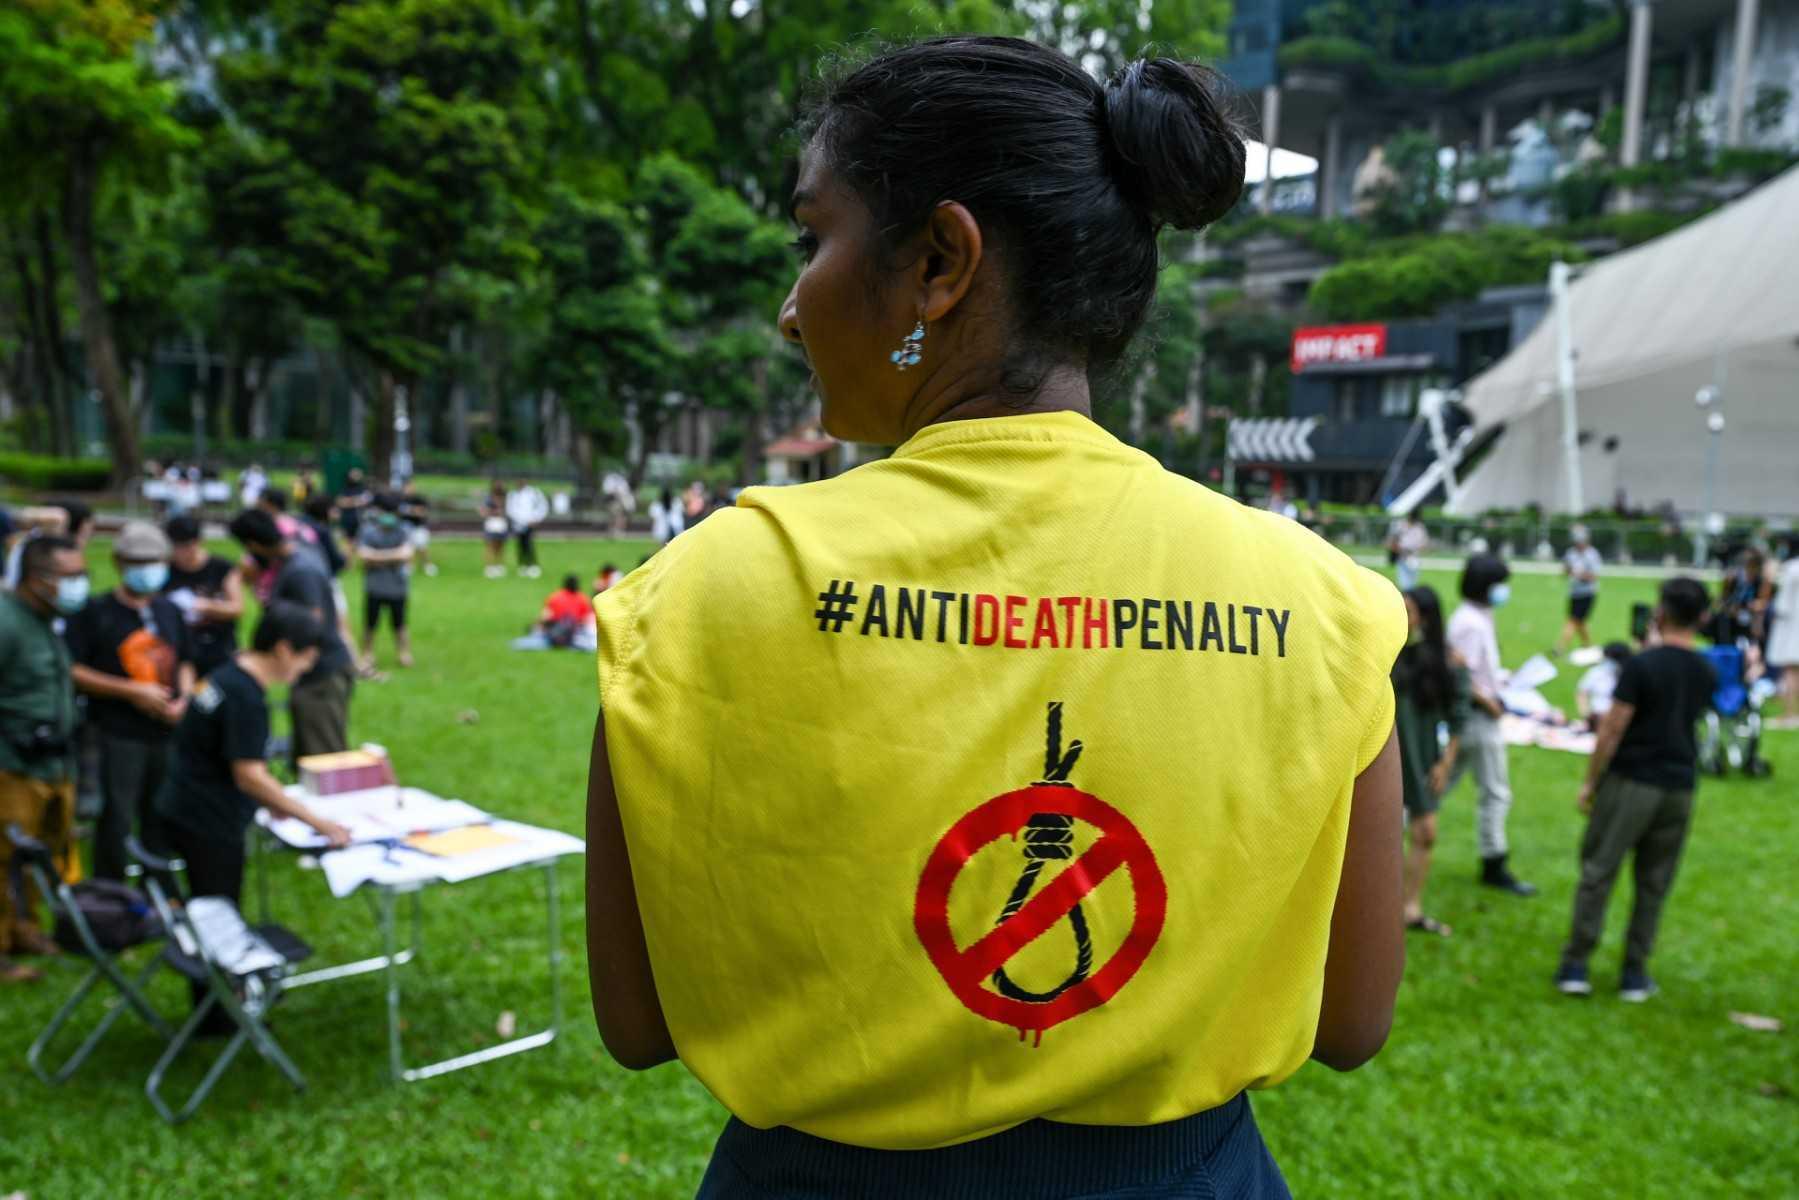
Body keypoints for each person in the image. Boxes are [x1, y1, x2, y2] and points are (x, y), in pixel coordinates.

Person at [586, 38, 1405, 1196]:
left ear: (938, 261)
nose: (788, 309)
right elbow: (1351, 1020)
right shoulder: (1324, 604)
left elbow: (636, 1023)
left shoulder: (704, 589)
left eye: (811, 239)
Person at [149, 602, 351, 1030]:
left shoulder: (224, 675)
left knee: (208, 906)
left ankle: (222, 1001)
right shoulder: (246, 699)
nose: (307, 666)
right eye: (305, 657)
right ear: (282, 649)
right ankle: (219, 1014)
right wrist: (320, 823)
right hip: (208, 822)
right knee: (218, 912)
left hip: (180, 806)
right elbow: (250, 776)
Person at [1556, 578, 1716, 1002]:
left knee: (1599, 871)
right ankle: (1634, 972)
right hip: (1679, 786)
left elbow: (1612, 728)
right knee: (1654, 883)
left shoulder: (1642, 665)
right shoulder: (1705, 669)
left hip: (1632, 781)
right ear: (1702, 617)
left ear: (1660, 611)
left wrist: (1591, 781)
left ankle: (1576, 963)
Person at [66, 521, 195, 881]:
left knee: (161, 811)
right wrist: (130, 690)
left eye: (154, 560)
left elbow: (185, 658)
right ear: (119, 562)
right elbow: (72, 670)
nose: (147, 569)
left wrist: (183, 697)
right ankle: (112, 892)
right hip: (117, 732)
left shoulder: (169, 610)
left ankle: (159, 887)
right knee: (117, 815)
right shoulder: (94, 612)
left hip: (166, 731)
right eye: (138, 561)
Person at [0, 536, 86, 983]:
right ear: (38, 580)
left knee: (37, 854)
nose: (80, 584)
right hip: (13, 766)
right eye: (71, 577)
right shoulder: (7, 621)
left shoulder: (46, 619)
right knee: (2, 857)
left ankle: (24, 928)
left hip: (53, 764)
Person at [227, 509, 357, 760]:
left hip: (322, 675)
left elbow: (312, 624)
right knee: (308, 753)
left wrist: (263, 657)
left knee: (323, 759)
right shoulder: (300, 551)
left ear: (253, 545)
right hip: (315, 673)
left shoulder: (300, 572)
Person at [1444, 553, 1536, 897]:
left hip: (1478, 715)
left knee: (1439, 784)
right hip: (1479, 720)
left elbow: (1477, 669)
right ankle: (1494, 861)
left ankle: (1392, 828)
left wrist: (1501, 682)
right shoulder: (1470, 621)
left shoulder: (1478, 616)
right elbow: (1460, 672)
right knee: (1495, 792)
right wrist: (1491, 703)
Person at [1392, 585, 1469, 938]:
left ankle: (1410, 906)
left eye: (1409, 611)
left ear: (1425, 616)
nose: (1403, 618)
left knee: (1425, 832)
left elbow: (1458, 715)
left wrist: (1445, 763)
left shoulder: (1446, 662)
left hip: (1422, 757)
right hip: (1388, 757)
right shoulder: (1387, 654)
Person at [162, 514, 246, 680]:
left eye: (186, 546)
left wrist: (204, 606)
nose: (180, 553)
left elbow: (237, 608)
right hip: (180, 648)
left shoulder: (222, 568)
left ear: (197, 542)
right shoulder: (165, 570)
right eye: (175, 546)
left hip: (218, 647)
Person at [356, 493, 415, 669]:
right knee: (370, 624)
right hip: (374, 586)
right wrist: (393, 556)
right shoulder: (367, 530)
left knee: (400, 623)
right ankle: (367, 654)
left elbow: (407, 554)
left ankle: (403, 653)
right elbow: (363, 556)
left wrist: (377, 556)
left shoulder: (404, 529)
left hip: (398, 587)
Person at [2, 499, 95, 591]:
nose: (87, 539)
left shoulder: (33, 540)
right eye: (85, 532)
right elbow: (58, 517)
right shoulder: (44, 544)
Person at [1556, 525, 1603, 656]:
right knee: (1580, 622)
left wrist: (1580, 575)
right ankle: (1588, 646)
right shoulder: (1571, 553)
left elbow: (1594, 576)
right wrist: (1568, 571)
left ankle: (1560, 647)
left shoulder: (1592, 554)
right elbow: (1565, 570)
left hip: (1587, 593)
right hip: (1574, 592)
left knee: (1573, 620)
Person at [1768, 536, 1799, 728]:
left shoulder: (1791, 569)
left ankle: (1790, 713)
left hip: (1791, 628)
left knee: (1790, 670)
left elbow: (1782, 605)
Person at [1575, 641, 1633, 731]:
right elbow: (1582, 692)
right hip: (1598, 716)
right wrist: (1586, 715)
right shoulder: (1597, 672)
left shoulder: (1630, 674)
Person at [507, 481, 548, 579]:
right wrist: (522, 520)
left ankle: (532, 564)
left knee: (529, 545)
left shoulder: (534, 493)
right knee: (520, 545)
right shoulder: (513, 495)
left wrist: (536, 518)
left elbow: (542, 506)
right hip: (519, 524)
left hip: (531, 523)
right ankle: (522, 565)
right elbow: (511, 510)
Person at [398, 478, 435, 577]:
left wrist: (411, 510)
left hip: (419, 527)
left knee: (422, 548)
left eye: (411, 487)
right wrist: (414, 511)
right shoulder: (400, 499)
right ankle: (409, 566)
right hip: (405, 527)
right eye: (407, 487)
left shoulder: (419, 499)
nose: (409, 489)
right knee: (408, 548)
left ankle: (427, 565)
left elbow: (423, 512)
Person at [1388, 514, 1428, 592]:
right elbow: (1392, 543)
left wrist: (1413, 549)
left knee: (1412, 582)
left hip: (1413, 557)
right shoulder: (1400, 526)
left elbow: (1424, 544)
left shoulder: (1419, 527)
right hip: (1402, 557)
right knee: (1404, 582)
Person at [480, 482, 509, 579]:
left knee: (500, 546)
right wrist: (494, 512)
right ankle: (489, 567)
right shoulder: (488, 499)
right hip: (492, 523)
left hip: (502, 524)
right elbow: (483, 512)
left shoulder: (506, 498)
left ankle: (499, 566)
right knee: (490, 546)